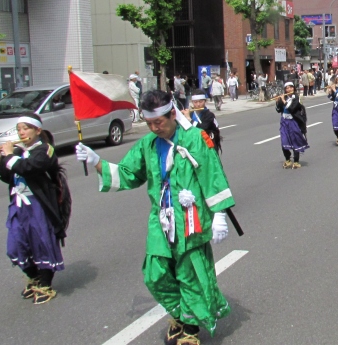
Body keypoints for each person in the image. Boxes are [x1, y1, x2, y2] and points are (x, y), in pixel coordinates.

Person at [75, 90, 235, 345]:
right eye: (149, 123)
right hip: (161, 219)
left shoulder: (195, 138)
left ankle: (190, 329)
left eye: (158, 122)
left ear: (172, 114)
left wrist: (219, 215)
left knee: (189, 275)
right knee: (155, 273)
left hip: (190, 220)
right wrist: (97, 162)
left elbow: (212, 176)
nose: (154, 128)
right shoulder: (148, 144)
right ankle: (181, 313)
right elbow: (129, 174)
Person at [0, 113, 66, 305]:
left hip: (40, 206)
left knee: (42, 243)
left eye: (26, 128)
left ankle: (46, 283)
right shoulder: (19, 153)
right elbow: (10, 176)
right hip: (19, 205)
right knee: (15, 245)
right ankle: (34, 276)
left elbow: (30, 168)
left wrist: (8, 156)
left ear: (37, 130)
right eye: (19, 129)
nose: (22, 133)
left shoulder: (45, 150)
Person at [276, 82, 308, 168]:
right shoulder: (285, 97)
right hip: (284, 121)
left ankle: (296, 161)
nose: (289, 89)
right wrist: (278, 102)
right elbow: (278, 110)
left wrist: (283, 100)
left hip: (293, 121)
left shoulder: (296, 98)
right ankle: (287, 159)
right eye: (287, 88)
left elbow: (291, 108)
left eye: (290, 87)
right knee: (284, 140)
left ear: (293, 88)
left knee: (295, 140)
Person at [184, 89, 221, 154]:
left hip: (207, 144)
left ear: (205, 101)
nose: (198, 104)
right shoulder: (190, 114)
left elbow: (203, 127)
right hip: (194, 144)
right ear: (192, 102)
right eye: (195, 102)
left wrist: (189, 120)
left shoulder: (209, 115)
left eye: (201, 102)